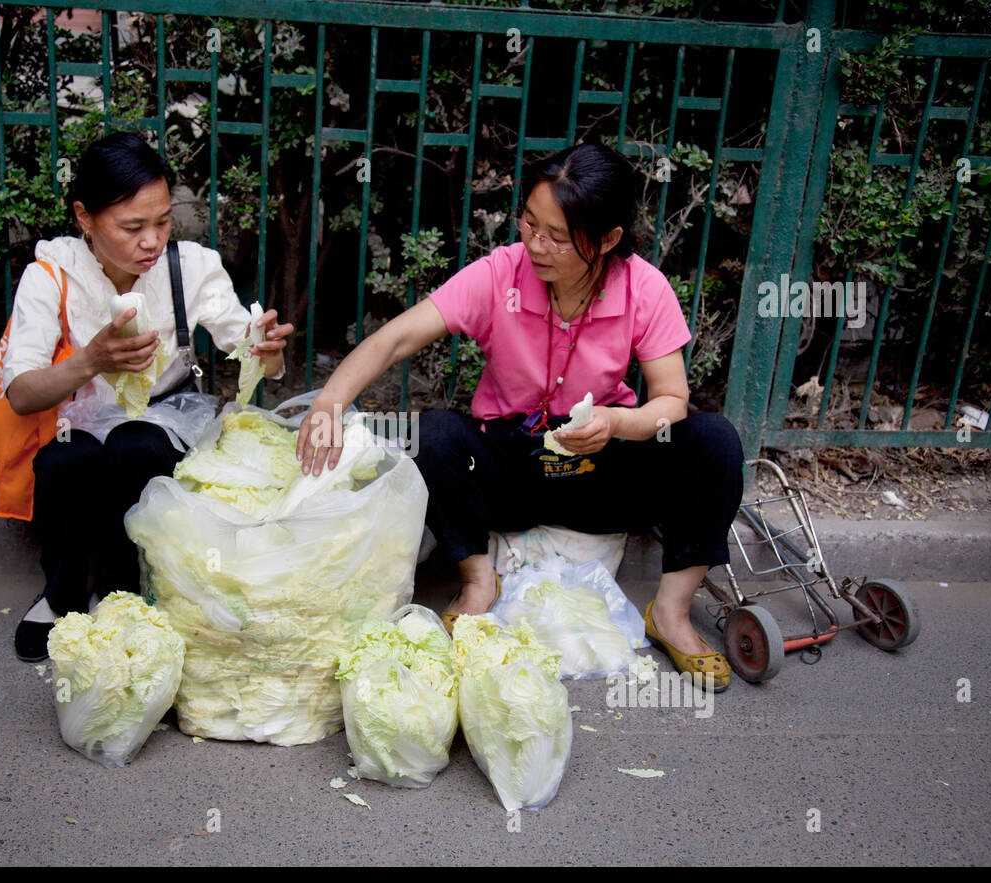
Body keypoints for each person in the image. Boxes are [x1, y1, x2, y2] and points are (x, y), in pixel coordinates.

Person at [296, 142, 743, 690]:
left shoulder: (644, 288)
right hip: (509, 469)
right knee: (434, 433)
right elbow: (394, 340)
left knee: (714, 440)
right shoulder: (500, 274)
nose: (537, 244)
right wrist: (328, 403)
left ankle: (670, 613)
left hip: (602, 470)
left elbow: (671, 399)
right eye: (530, 223)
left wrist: (614, 424)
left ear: (607, 240)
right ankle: (478, 584)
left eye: (558, 235)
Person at [3, 132, 294, 661]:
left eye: (162, 222)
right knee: (72, 456)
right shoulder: (51, 275)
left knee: (135, 443)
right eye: (132, 227)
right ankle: (63, 591)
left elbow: (252, 354)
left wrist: (266, 349)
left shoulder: (190, 267)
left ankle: (123, 587)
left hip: (165, 418)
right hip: (77, 421)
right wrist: (91, 360)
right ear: (85, 217)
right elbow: (21, 395)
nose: (152, 241)